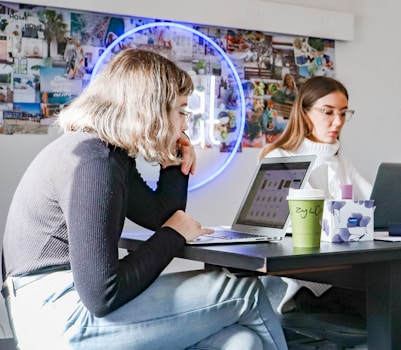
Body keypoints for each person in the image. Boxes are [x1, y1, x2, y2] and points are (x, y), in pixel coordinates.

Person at [2, 49, 287, 349]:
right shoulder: (94, 162)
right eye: (180, 111)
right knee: (246, 291)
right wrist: (174, 234)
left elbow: (159, 214)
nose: (185, 125)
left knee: (241, 341)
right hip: (57, 315)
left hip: (56, 309)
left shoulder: (107, 154)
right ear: (151, 109)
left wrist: (175, 164)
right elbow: (102, 294)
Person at [259, 76, 371, 316]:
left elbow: (376, 202)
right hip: (306, 283)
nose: (338, 121)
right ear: (304, 112)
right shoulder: (278, 159)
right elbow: (301, 225)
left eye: (343, 113)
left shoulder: (339, 160)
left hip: (345, 271)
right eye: (328, 112)